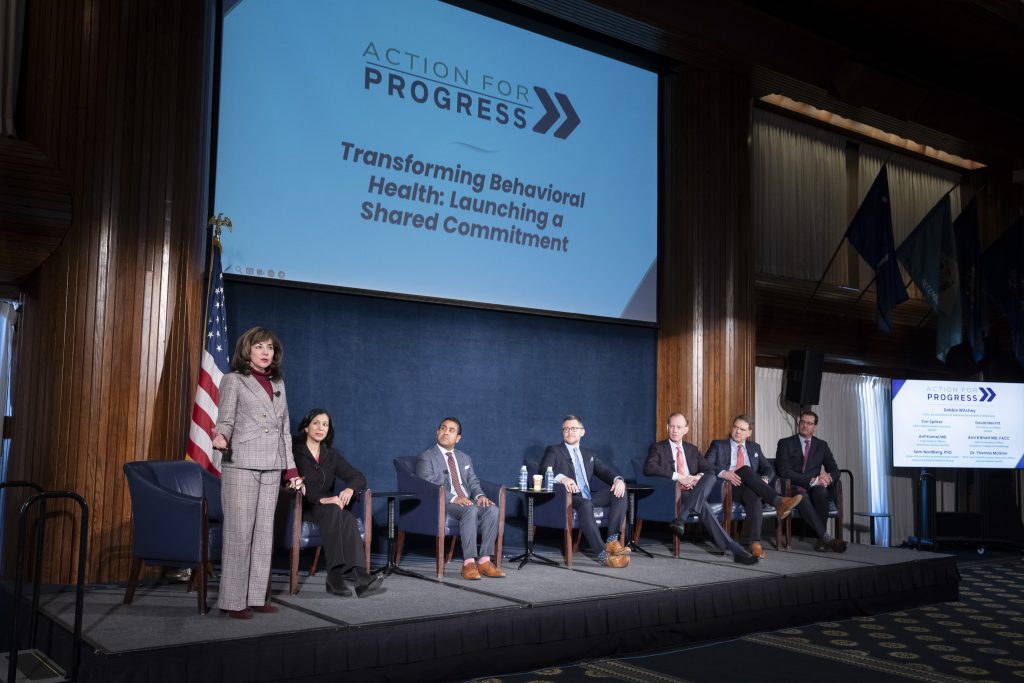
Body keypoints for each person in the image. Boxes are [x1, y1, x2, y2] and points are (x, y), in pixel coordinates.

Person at [212, 326, 304, 620]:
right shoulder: (233, 380)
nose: (266, 352)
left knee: (264, 535)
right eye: (259, 347)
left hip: (273, 465)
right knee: (239, 534)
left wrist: (291, 470)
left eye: (270, 348)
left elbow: (284, 430)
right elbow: (225, 419)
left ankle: (255, 596)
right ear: (247, 350)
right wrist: (221, 436)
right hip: (241, 462)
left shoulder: (278, 383)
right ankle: (232, 601)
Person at [293, 408, 385, 596]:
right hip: (305, 506)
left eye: (325, 424)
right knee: (336, 511)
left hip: (329, 509)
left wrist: (350, 489)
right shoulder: (295, 453)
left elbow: (358, 477)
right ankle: (334, 576)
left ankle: (361, 577)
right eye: (316, 423)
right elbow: (291, 485)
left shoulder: (331, 455)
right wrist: (323, 499)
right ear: (306, 427)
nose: (321, 428)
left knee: (347, 517)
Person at [644, 413, 758, 564]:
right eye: (672, 426)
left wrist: (697, 477)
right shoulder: (658, 448)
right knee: (703, 505)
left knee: (710, 477)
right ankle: (735, 549)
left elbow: (709, 468)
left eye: (679, 427)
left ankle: (681, 519)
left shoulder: (691, 449)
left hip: (694, 491)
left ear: (686, 429)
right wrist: (679, 477)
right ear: (667, 427)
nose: (675, 430)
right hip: (674, 492)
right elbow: (649, 468)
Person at [415, 417, 505, 580]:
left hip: (467, 500)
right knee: (469, 509)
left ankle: (484, 561)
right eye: (443, 428)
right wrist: (454, 498)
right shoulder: (426, 457)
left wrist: (480, 496)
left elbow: (473, 481)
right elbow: (427, 486)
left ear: (458, 438)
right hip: (442, 502)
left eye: (451, 430)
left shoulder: (464, 458)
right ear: (437, 432)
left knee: (492, 509)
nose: (446, 433)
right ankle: (469, 563)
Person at [705, 414, 802, 560]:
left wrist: (764, 478)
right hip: (726, 487)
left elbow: (768, 469)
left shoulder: (754, 448)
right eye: (735, 427)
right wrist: (724, 473)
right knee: (745, 469)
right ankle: (778, 501)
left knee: (754, 495)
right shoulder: (718, 445)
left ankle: (753, 542)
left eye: (742, 429)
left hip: (748, 487)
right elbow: (706, 465)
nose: (738, 431)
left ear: (749, 433)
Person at [539, 415, 629, 567]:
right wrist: (562, 478)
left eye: (574, 428)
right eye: (566, 429)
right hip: (569, 498)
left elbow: (604, 471)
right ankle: (603, 554)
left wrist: (617, 479)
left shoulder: (589, 453)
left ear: (582, 432)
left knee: (620, 491)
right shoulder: (554, 450)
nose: (570, 432)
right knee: (586, 504)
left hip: (588, 497)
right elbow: (543, 470)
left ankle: (612, 541)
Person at [775, 411, 847, 552]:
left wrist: (828, 478)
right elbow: (784, 471)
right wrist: (811, 480)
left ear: (815, 427)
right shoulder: (785, 443)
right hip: (793, 486)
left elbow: (834, 470)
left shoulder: (822, 445)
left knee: (821, 492)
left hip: (814, 487)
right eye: (802, 422)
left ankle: (821, 540)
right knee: (802, 496)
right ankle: (826, 538)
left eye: (809, 423)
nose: (805, 425)